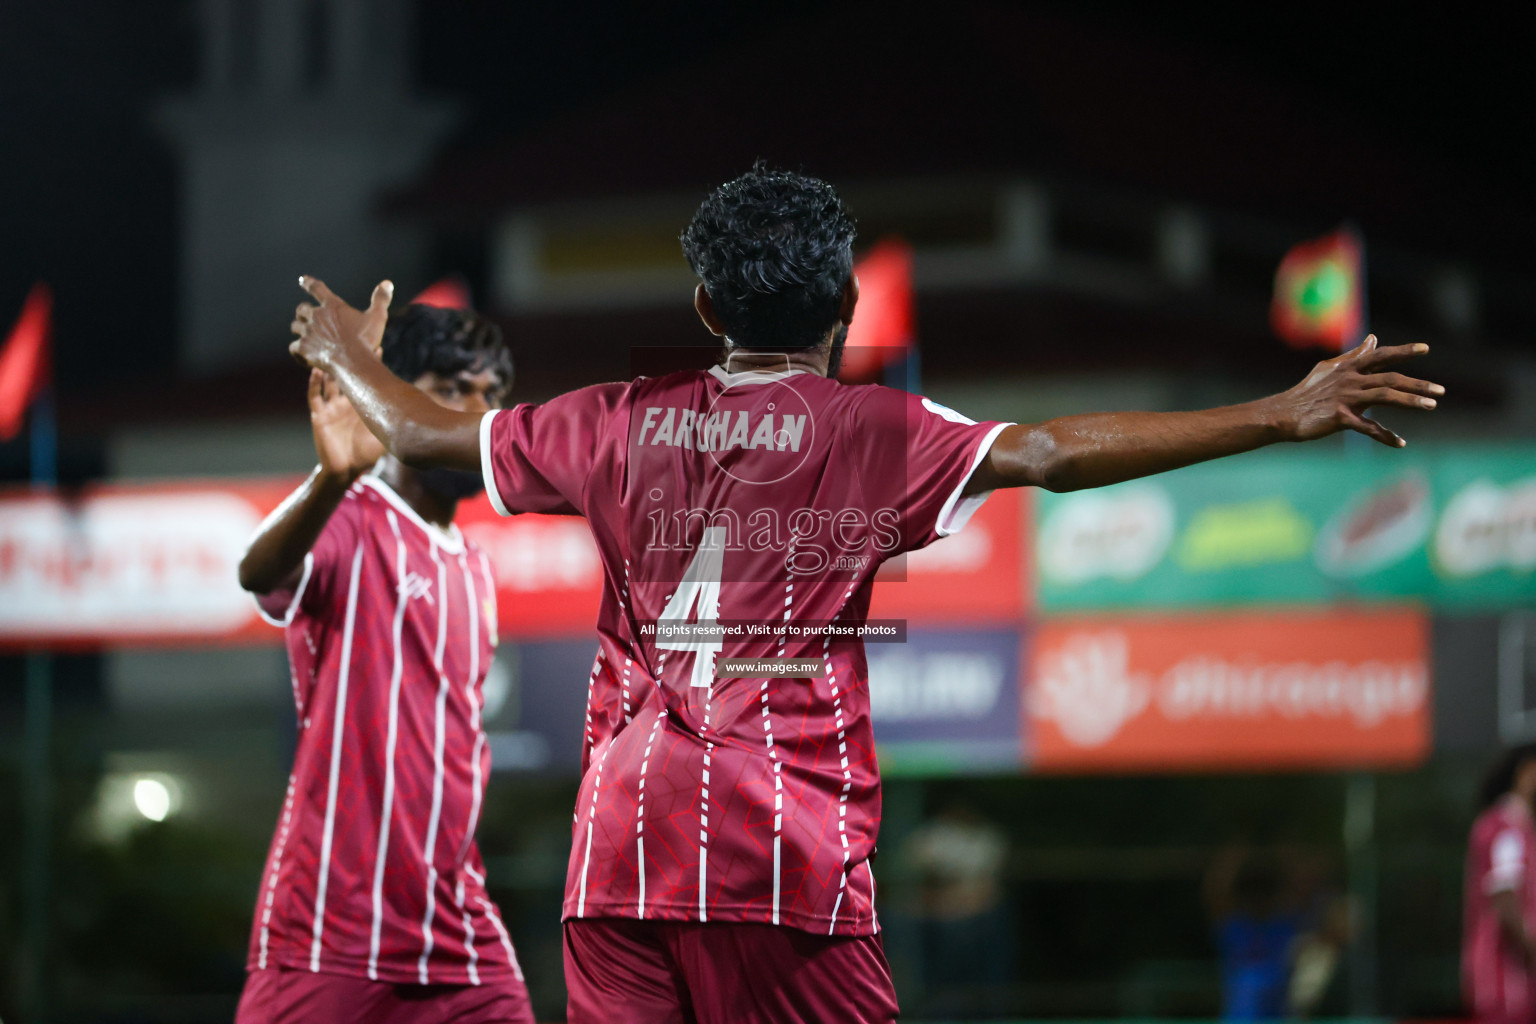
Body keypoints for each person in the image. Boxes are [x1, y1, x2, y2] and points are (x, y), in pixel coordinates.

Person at [287, 163, 1441, 1024]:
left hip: (617, 845)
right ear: (840, 311)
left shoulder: (613, 416)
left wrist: (347, 357)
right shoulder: (874, 427)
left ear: (705, 308)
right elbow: (1044, 451)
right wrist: (1276, 412)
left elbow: (422, 429)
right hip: (772, 839)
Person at [235, 304, 533, 1024]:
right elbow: (260, 572)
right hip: (331, 931)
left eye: (490, 395)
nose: (476, 410)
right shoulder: (353, 515)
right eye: (452, 387)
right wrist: (330, 480)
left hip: (457, 929)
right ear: (391, 396)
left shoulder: (476, 565)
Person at [1464, 742, 1536, 1024]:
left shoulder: (1521, 828)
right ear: (1522, 773)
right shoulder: (1504, 828)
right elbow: (1504, 893)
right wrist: (1532, 946)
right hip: (1504, 981)